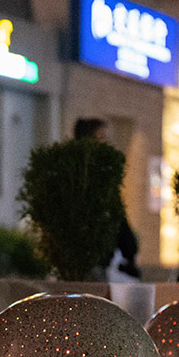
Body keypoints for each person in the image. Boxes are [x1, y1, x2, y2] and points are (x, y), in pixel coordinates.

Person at [72, 117, 141, 279]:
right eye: (102, 138)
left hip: (102, 257)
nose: (107, 144)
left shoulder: (99, 174)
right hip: (93, 255)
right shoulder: (90, 176)